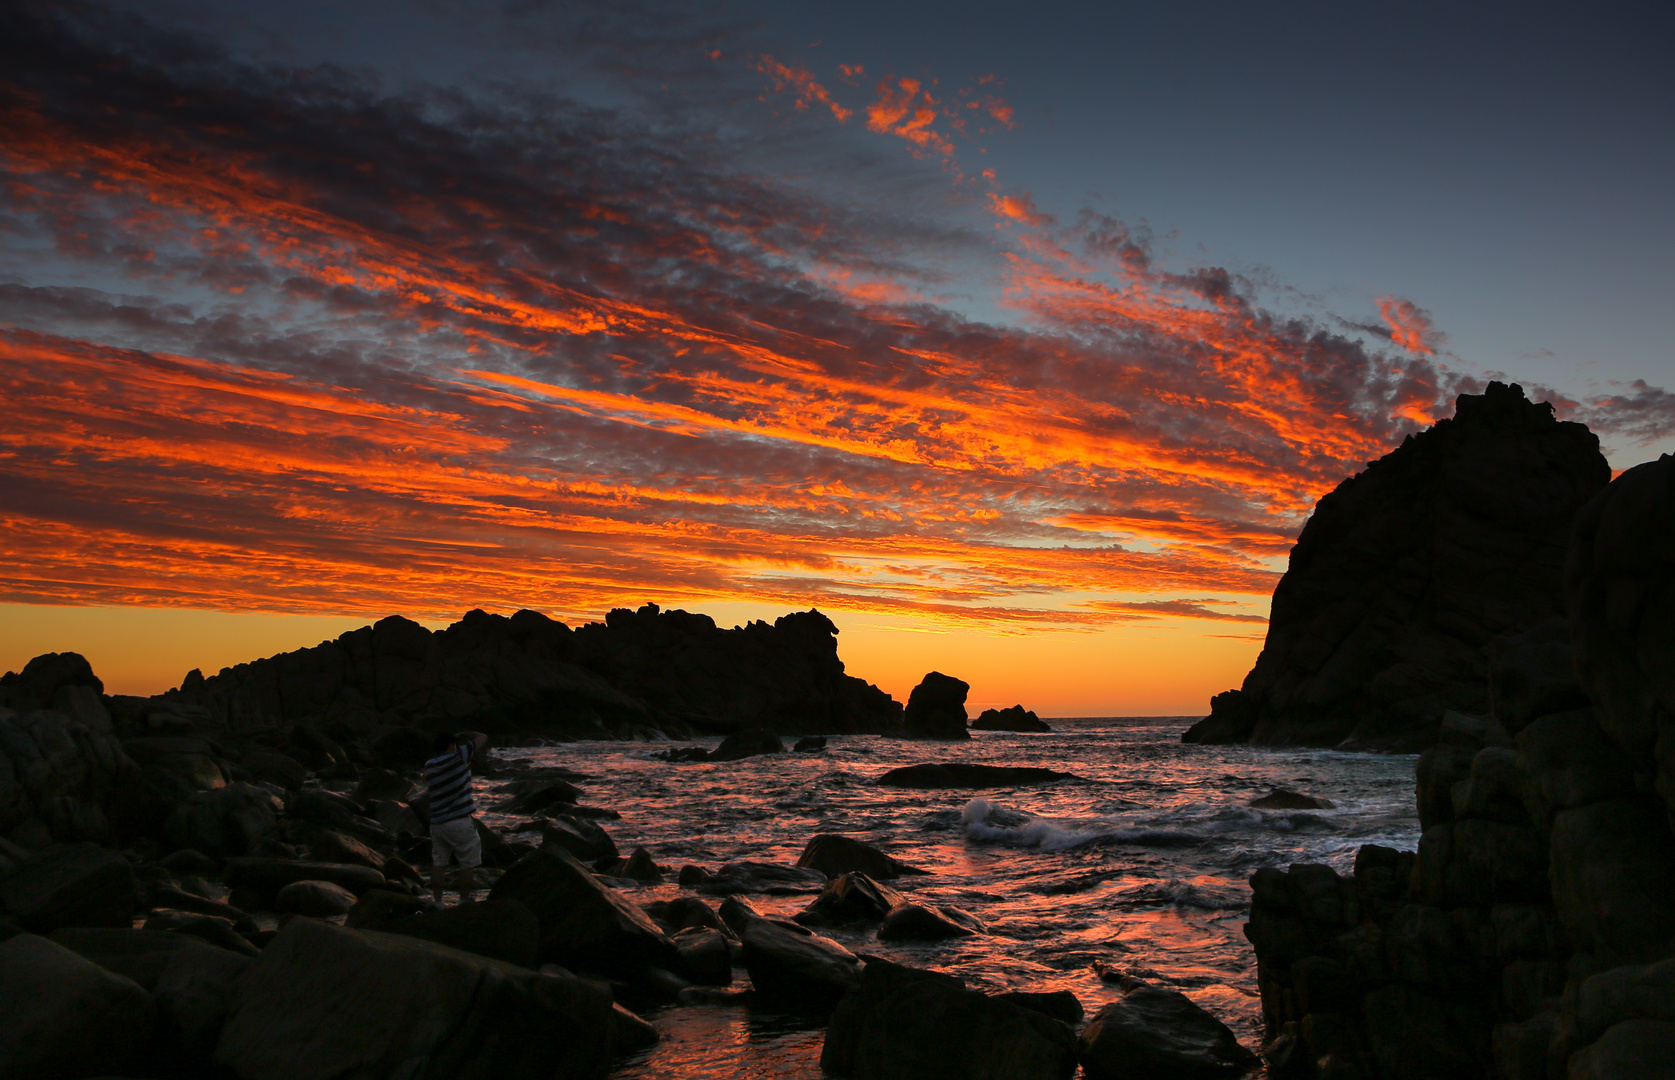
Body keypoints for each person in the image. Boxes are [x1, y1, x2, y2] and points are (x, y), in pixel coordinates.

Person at [424, 730, 488, 905]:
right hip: (459, 821)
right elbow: (482, 737)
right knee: (467, 864)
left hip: (437, 823)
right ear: (451, 746)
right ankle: (464, 900)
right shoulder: (459, 757)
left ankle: (438, 902)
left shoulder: (430, 765)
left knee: (439, 862)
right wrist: (463, 734)